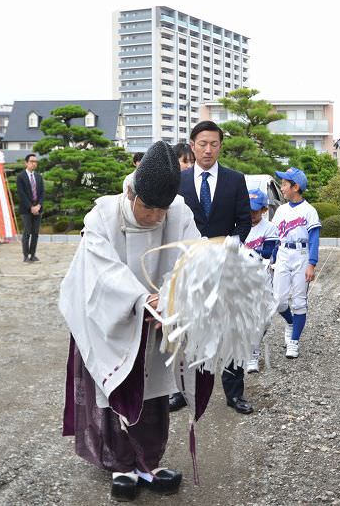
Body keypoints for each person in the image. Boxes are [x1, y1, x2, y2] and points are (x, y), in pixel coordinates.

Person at [60, 141, 213, 502]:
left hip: (156, 319)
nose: (156, 217)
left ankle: (149, 460)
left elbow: (193, 256)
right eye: (149, 207)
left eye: (163, 209)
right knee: (114, 384)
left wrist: (176, 296)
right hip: (108, 318)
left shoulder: (177, 211)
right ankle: (120, 464)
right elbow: (101, 272)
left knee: (155, 391)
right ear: (131, 193)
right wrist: (141, 299)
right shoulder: (102, 215)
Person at [170, 120, 254, 415]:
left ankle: (234, 394)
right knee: (189, 329)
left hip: (225, 266)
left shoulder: (234, 179)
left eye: (214, 144)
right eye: (202, 144)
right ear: (192, 146)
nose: (208, 150)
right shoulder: (178, 182)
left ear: (220, 146)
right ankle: (184, 390)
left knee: (231, 329)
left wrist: (228, 247)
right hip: (190, 268)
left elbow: (244, 221)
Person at [270, 167, 321, 359]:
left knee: (299, 302)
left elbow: (314, 238)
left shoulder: (309, 211)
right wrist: (271, 258)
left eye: (284, 184)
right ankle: (290, 323)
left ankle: (294, 341)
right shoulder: (281, 210)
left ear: (295, 186)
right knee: (279, 300)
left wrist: (312, 263)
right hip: (283, 253)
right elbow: (274, 237)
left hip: (301, 254)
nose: (282, 187)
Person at [243, 188, 279, 373]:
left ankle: (252, 349)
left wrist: (247, 254)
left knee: (263, 320)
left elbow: (268, 252)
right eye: (248, 210)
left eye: (255, 210)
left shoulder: (269, 228)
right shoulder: (239, 226)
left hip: (262, 279)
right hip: (242, 280)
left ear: (264, 209)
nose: (251, 214)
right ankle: (252, 356)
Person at [16, 154, 44, 262]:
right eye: (32, 161)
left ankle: (33, 254)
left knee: (35, 233)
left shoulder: (38, 176)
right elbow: (21, 194)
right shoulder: (21, 176)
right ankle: (25, 255)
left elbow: (42, 193)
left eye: (36, 161)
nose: (34, 163)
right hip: (26, 209)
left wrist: (38, 206)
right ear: (26, 163)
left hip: (38, 209)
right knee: (27, 232)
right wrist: (31, 207)